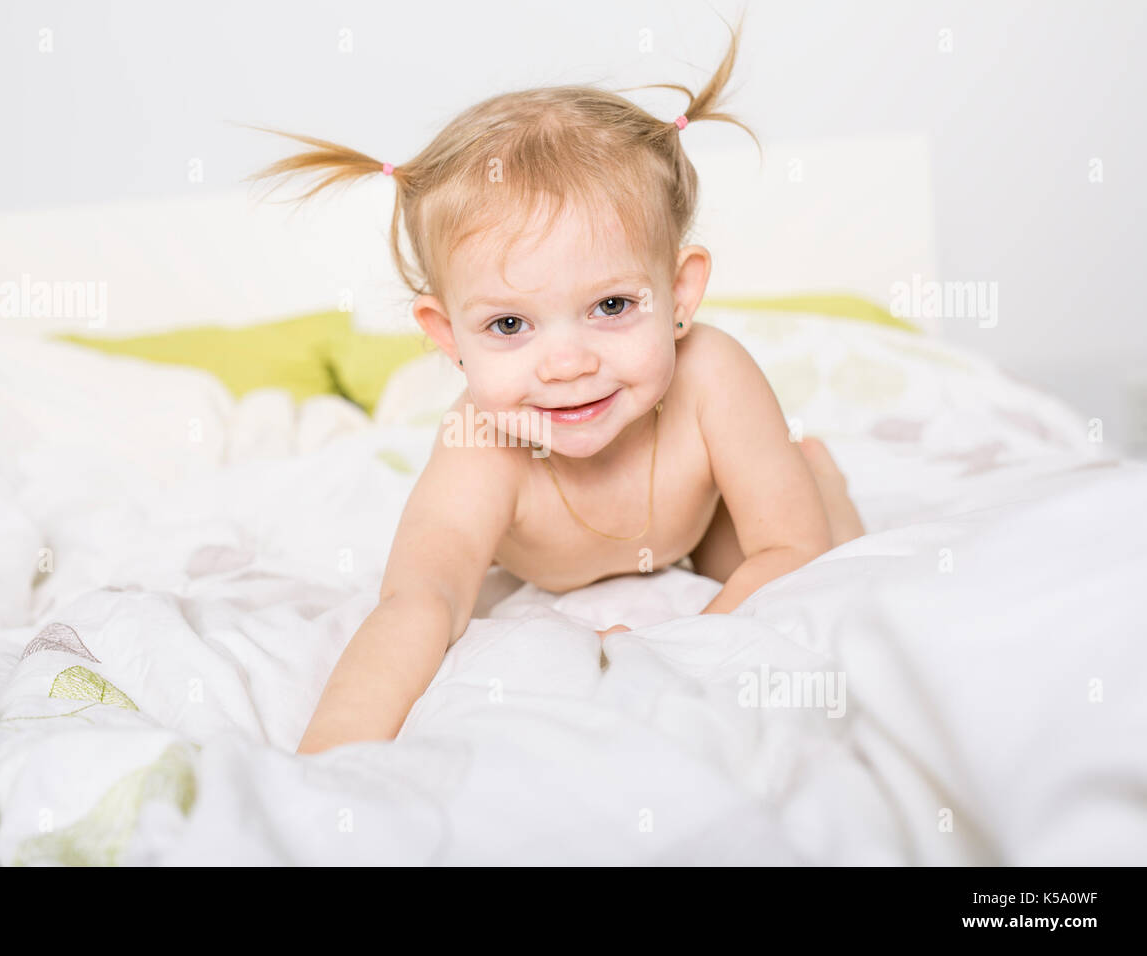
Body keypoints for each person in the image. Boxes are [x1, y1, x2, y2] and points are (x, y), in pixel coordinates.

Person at [246, 19, 866, 754]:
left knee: (808, 566)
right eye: (510, 325)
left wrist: (677, 652)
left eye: (611, 306)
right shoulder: (481, 442)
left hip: (698, 528)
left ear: (680, 294)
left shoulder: (711, 375)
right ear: (448, 337)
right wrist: (330, 757)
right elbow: (421, 601)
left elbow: (787, 548)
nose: (567, 365)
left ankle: (813, 468)